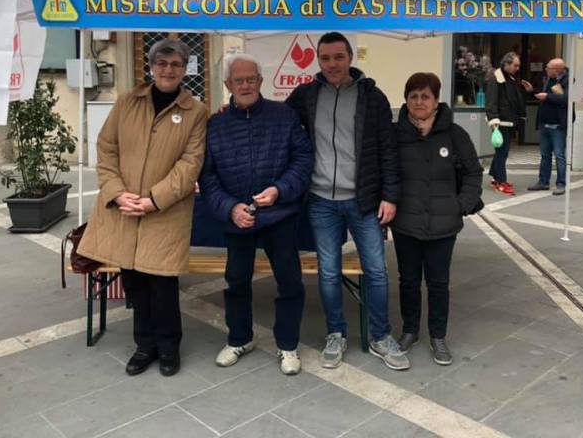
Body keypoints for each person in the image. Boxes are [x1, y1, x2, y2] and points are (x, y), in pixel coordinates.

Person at [77, 38, 207, 377]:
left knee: (162, 285)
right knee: (134, 282)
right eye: (162, 63)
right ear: (151, 67)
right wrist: (118, 193)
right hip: (124, 209)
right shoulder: (127, 102)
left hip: (165, 211)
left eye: (175, 64)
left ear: (185, 69)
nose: (168, 70)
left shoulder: (196, 112)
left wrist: (153, 199)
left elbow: (191, 163)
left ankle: (168, 347)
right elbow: (106, 149)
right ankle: (144, 345)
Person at [286, 32, 408, 371]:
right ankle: (336, 333)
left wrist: (390, 196)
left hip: (363, 199)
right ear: (318, 60)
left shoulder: (373, 97)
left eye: (338, 57)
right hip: (321, 200)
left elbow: (388, 150)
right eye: (325, 58)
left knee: (376, 271)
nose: (332, 64)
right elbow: (277, 122)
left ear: (350, 57)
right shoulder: (306, 95)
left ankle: (380, 336)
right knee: (328, 272)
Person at [199, 54, 313, 376]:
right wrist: (230, 208)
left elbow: (303, 159)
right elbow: (207, 177)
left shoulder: (284, 116)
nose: (246, 85)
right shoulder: (216, 125)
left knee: (289, 282)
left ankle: (288, 345)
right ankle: (239, 339)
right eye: (239, 80)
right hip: (238, 218)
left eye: (251, 79)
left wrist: (280, 189)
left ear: (261, 82)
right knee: (236, 281)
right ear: (228, 85)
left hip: (279, 215)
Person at [391, 73, 483, 365]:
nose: (419, 102)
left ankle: (438, 336)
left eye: (425, 96)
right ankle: (410, 330)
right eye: (413, 96)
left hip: (444, 225)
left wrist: (461, 205)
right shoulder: (395, 134)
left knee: (438, 283)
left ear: (436, 101)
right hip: (406, 223)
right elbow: (385, 172)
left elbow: (473, 172)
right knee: (408, 281)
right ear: (406, 100)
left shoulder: (455, 135)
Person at [485, 52, 529, 195]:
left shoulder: (510, 78)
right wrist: (494, 121)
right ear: (506, 64)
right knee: (502, 153)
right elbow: (491, 102)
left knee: (502, 152)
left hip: (509, 121)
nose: (517, 68)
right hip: (500, 122)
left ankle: (495, 178)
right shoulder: (495, 79)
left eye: (518, 66)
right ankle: (501, 181)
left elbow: (515, 99)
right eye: (515, 65)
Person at [527, 58, 569, 195]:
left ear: (557, 70)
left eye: (548, 67)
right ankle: (543, 181)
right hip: (544, 123)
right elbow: (542, 94)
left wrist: (547, 97)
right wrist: (532, 90)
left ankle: (561, 184)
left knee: (559, 155)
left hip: (558, 125)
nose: (546, 69)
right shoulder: (547, 79)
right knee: (545, 155)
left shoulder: (568, 81)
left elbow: (566, 99)